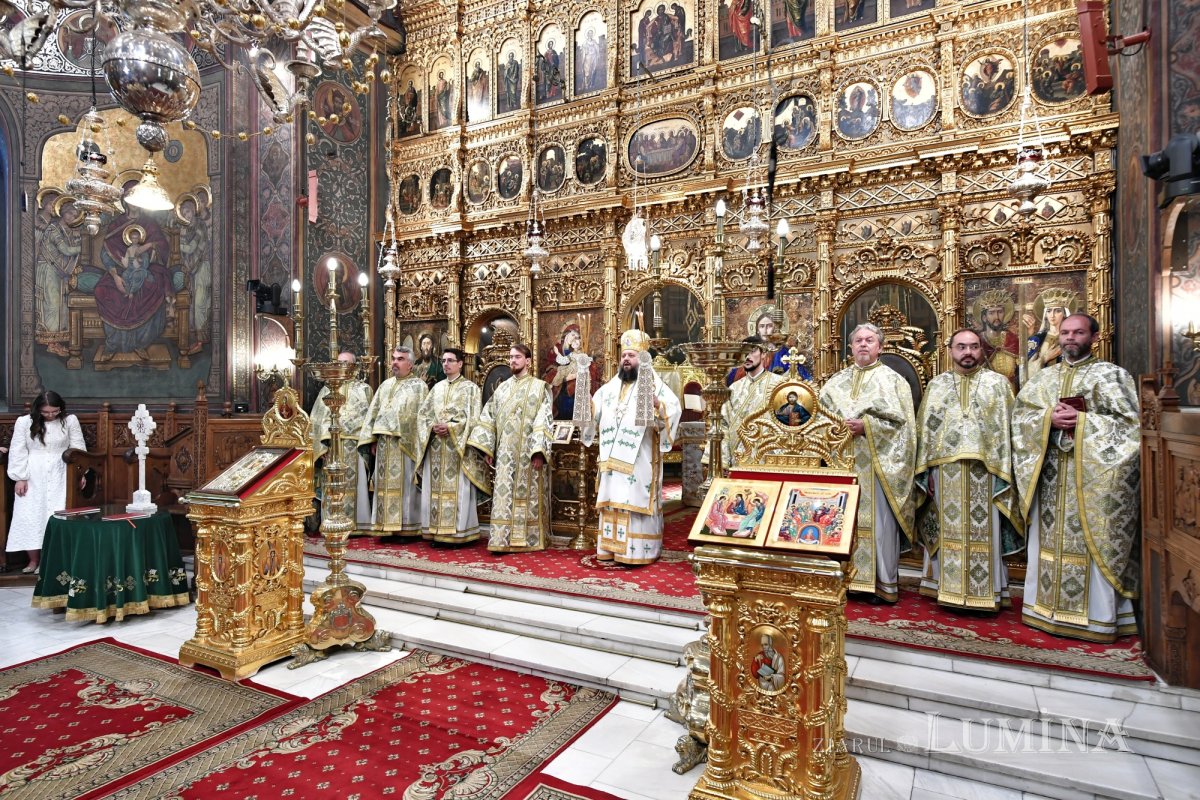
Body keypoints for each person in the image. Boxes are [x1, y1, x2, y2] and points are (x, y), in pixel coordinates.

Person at [1011, 314, 1140, 642]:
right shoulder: (1043, 378)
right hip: (1050, 478)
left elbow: (1131, 429)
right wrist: (1046, 419)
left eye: (1078, 332)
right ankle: (1043, 609)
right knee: (1047, 543)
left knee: (1092, 544)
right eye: (1066, 332)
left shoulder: (1112, 376)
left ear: (1093, 337)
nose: (1070, 338)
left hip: (1093, 484)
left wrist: (1082, 422)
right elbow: (1019, 420)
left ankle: (1096, 619)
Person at [915, 329, 1022, 612]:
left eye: (973, 346)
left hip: (987, 474)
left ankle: (988, 592)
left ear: (981, 350)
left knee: (987, 532)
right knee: (946, 529)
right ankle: (944, 587)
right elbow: (925, 433)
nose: (968, 352)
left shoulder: (997, 385)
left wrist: (1005, 472)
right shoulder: (937, 385)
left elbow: (1009, 430)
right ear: (951, 350)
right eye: (961, 347)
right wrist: (926, 473)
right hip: (945, 473)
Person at [818, 323, 917, 602]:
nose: (863, 344)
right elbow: (819, 420)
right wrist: (835, 428)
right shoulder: (835, 382)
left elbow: (905, 429)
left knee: (879, 527)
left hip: (878, 467)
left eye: (869, 340)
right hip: (842, 464)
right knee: (840, 523)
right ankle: (845, 581)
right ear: (851, 347)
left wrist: (867, 427)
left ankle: (879, 585)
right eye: (858, 340)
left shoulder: (893, 381)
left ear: (880, 347)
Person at [587, 328, 681, 565]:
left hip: (640, 459)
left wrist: (659, 406)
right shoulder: (609, 388)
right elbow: (593, 413)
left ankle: (637, 552)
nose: (626, 359)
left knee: (634, 498)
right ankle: (610, 549)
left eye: (632, 355)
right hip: (611, 462)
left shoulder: (654, 384)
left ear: (642, 358)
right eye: (624, 355)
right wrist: (584, 402)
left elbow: (674, 409)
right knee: (612, 498)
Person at [466, 344, 554, 553]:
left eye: (517, 357)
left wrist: (539, 451)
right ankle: (501, 539)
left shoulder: (539, 388)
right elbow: (488, 417)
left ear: (528, 361)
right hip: (505, 454)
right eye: (511, 357)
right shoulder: (502, 389)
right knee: (504, 496)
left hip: (529, 454)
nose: (512, 361)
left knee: (528, 496)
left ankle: (529, 539)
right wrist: (487, 448)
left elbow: (544, 420)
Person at [416, 348, 491, 543]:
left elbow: (475, 419)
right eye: (443, 360)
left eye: (450, 360)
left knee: (458, 492)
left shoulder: (471, 389)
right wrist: (432, 426)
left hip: (457, 450)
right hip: (436, 449)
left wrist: (451, 427)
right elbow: (423, 415)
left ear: (460, 364)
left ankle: (459, 534)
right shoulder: (437, 388)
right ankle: (436, 531)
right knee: (435, 492)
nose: (446, 364)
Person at [5, 391, 85, 574]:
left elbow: (78, 448)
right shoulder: (24, 422)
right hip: (33, 473)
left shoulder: (70, 420)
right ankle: (33, 561)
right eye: (46, 412)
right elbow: (18, 450)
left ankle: (52, 561)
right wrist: (20, 477)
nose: (50, 415)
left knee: (58, 514)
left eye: (55, 411)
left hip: (61, 472)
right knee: (30, 515)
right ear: (38, 409)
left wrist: (79, 474)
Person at [358, 346, 429, 537]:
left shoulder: (419, 387)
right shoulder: (385, 385)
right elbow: (373, 413)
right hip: (384, 446)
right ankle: (385, 526)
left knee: (405, 487)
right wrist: (373, 439)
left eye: (400, 359)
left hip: (405, 445)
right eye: (393, 358)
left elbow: (422, 417)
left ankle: (406, 529)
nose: (395, 363)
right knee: (383, 486)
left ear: (410, 364)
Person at [310, 352, 374, 532]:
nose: (341, 366)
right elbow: (317, 419)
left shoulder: (364, 389)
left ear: (354, 366)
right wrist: (323, 446)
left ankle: (358, 524)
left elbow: (370, 417)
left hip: (355, 446)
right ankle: (331, 522)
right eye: (338, 363)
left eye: (345, 363)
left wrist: (366, 440)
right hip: (331, 447)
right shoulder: (326, 390)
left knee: (355, 485)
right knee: (332, 485)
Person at [719, 337, 783, 470]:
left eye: (752, 351)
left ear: (763, 353)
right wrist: (724, 459)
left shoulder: (779, 385)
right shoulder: (734, 388)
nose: (747, 357)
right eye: (744, 352)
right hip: (738, 461)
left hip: (770, 460)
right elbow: (723, 424)